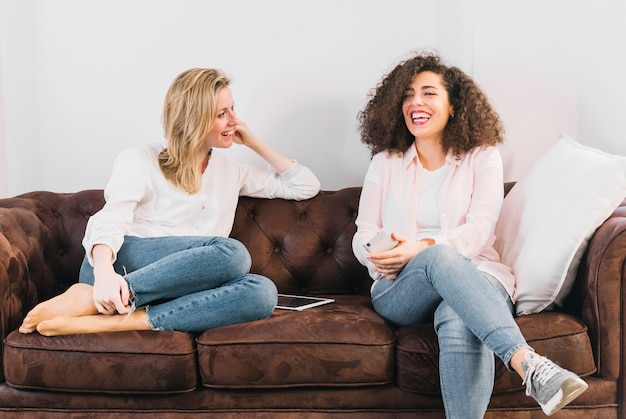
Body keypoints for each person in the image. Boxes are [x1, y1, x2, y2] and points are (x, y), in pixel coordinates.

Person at [351, 51, 587, 418]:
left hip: (478, 277)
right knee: (439, 256)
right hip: (401, 287)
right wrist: (376, 252)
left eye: (429, 93)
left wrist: (424, 246)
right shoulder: (386, 162)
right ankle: (529, 364)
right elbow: (363, 232)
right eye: (409, 94)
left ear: (454, 106)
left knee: (458, 314)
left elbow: (478, 232)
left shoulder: (483, 157)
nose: (416, 102)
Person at [19, 68, 320, 337]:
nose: (234, 121)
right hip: (118, 270)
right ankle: (95, 297)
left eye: (233, 109)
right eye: (221, 114)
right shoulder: (140, 159)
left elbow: (305, 185)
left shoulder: (232, 172)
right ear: (194, 120)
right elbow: (111, 217)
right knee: (233, 255)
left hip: (179, 288)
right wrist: (104, 274)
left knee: (262, 292)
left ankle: (116, 320)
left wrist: (253, 141)